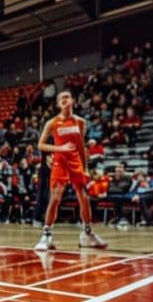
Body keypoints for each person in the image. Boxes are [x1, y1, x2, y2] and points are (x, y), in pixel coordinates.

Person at [34, 91, 107, 251]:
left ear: (72, 100)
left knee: (84, 197)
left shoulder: (80, 122)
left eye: (67, 96)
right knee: (55, 197)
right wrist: (60, 148)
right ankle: (46, 235)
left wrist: (85, 168)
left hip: (75, 162)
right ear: (58, 104)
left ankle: (87, 233)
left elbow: (80, 146)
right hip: (60, 161)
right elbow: (41, 145)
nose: (64, 99)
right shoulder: (52, 123)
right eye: (61, 98)